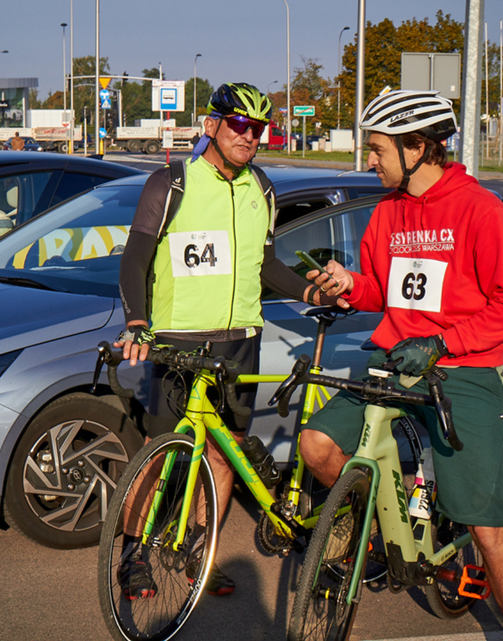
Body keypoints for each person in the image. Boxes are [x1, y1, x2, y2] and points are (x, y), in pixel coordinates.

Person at [301, 89, 503, 641]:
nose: (368, 160)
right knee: (316, 446)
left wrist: (442, 344)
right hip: (394, 364)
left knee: (486, 529)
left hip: (463, 370)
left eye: (377, 149)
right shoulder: (389, 211)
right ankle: (379, 530)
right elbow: (380, 289)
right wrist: (348, 286)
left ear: (417, 147)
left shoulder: (480, 209)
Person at [113, 82, 330, 599]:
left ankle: (198, 551)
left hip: (239, 340)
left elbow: (267, 267)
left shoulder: (262, 189)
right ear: (212, 125)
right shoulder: (172, 183)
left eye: (258, 129)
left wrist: (311, 289)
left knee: (221, 453)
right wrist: (139, 322)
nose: (249, 137)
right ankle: (133, 554)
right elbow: (135, 258)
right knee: (160, 450)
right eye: (239, 125)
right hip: (181, 338)